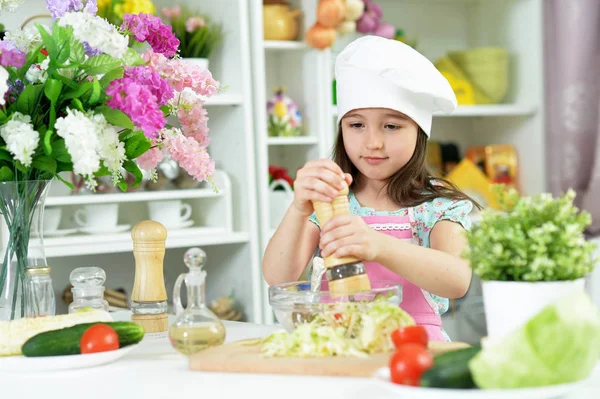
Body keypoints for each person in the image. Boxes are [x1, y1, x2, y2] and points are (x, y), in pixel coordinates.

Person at [262, 36, 480, 341]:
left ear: (419, 133)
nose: (373, 142)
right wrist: (299, 209)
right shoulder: (331, 201)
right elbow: (278, 277)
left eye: (391, 126)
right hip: (341, 346)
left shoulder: (436, 204)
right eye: (356, 125)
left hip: (414, 349)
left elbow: (457, 279)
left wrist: (378, 245)